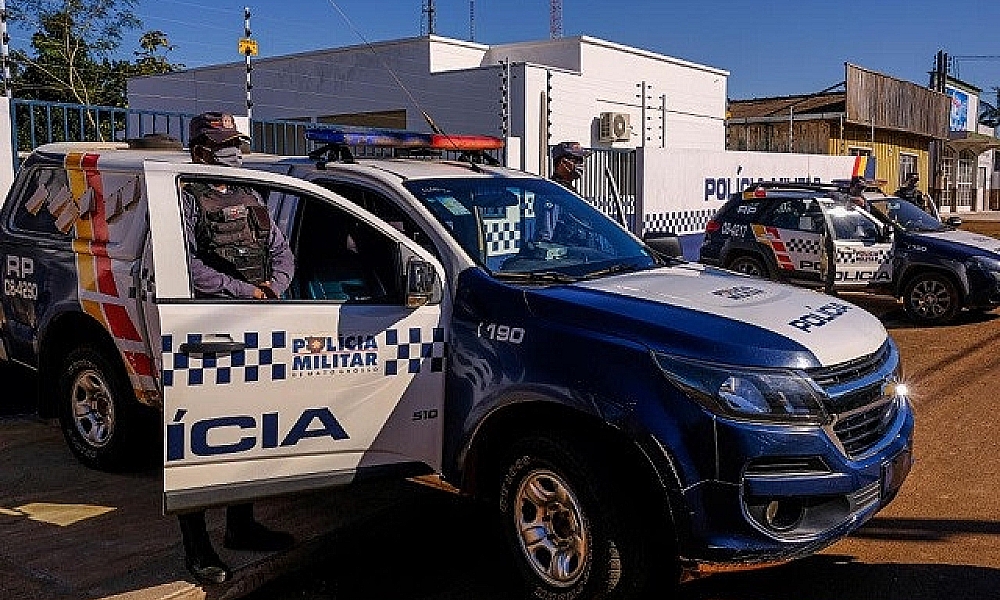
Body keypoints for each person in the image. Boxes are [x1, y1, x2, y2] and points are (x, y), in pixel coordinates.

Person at [177, 111, 296, 585]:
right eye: (223, 144)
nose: (232, 152)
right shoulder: (183, 197)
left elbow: (281, 250)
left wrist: (274, 287)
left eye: (234, 143)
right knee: (200, 440)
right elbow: (185, 265)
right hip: (207, 329)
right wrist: (244, 291)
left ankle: (241, 526)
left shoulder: (252, 195)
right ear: (200, 150)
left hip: (257, 323)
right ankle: (197, 545)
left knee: (247, 430)